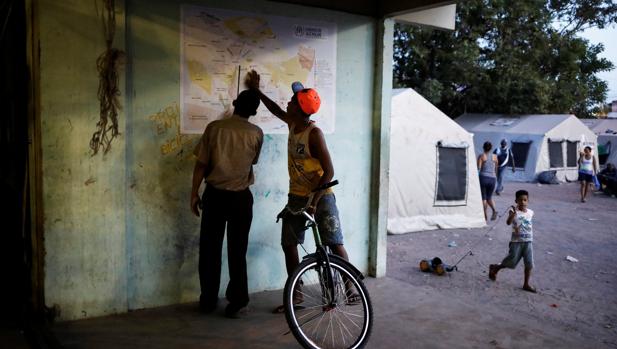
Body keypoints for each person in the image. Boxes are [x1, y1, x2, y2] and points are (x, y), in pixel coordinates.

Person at [245, 70, 352, 313]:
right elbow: (274, 109)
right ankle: (297, 296)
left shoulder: (314, 134)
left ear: (299, 109)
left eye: (292, 101)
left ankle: (349, 288)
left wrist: (314, 200)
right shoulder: (293, 122)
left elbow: (329, 171)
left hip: (321, 197)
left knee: (333, 243)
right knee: (289, 243)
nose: (288, 103)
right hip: (296, 196)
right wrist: (257, 90)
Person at [190, 89, 264, 318]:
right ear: (253, 111)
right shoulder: (256, 133)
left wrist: (194, 193)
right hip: (241, 198)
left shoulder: (214, 128)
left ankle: (208, 300)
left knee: (210, 249)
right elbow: (253, 161)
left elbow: (201, 164)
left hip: (215, 195)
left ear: (234, 104)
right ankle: (238, 301)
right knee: (237, 250)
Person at [488, 190, 536, 293]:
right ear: (516, 201)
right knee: (511, 261)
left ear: (528, 201)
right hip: (516, 242)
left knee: (529, 263)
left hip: (528, 241)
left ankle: (526, 284)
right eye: (520, 200)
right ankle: (496, 267)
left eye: (525, 200)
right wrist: (513, 215)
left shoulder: (531, 212)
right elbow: (508, 223)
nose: (523, 202)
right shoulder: (513, 211)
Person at [478, 141, 498, 221]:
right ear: (491, 148)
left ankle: (485, 215)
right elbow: (496, 168)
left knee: (483, 198)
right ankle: (494, 210)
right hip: (493, 178)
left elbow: (479, 168)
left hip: (483, 177)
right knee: (489, 197)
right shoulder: (495, 157)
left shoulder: (482, 156)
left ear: (483, 147)